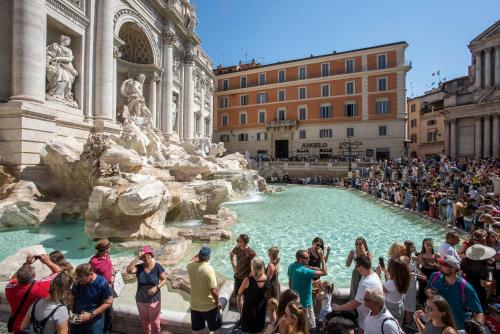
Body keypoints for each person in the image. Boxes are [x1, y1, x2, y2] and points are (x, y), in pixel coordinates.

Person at [5, 254, 61, 334]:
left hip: (17, 327)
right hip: (34, 327)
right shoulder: (40, 287)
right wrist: (47, 262)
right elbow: (59, 272)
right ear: (34, 276)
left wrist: (27, 264)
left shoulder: (9, 288)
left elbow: (13, 279)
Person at [426, 256, 484, 330]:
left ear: (453, 269)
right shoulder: (435, 276)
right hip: (436, 324)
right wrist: (428, 293)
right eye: (441, 264)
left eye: (444, 265)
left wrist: (476, 331)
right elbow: (427, 289)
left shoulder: (466, 288)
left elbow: (478, 313)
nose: (440, 266)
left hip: (457, 328)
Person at [332, 255, 383, 333]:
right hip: (369, 317)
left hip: (366, 322)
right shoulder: (373, 274)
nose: (356, 268)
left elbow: (355, 303)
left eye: (356, 266)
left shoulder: (366, 283)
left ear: (361, 267)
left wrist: (339, 307)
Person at [125, 246, 167, 334]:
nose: (146, 257)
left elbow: (164, 279)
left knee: (155, 323)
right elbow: (128, 270)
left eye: (148, 255)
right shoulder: (139, 267)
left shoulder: (157, 266)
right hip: (141, 300)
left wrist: (157, 287)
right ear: (141, 258)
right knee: (144, 323)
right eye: (144, 256)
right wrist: (137, 257)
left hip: (154, 300)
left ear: (152, 256)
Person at [288, 249, 328, 330]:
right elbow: (325, 272)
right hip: (306, 305)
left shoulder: (291, 266)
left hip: (295, 303)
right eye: (306, 258)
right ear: (299, 259)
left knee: (297, 328)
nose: (309, 259)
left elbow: (290, 282)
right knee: (311, 328)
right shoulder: (305, 271)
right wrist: (322, 257)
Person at [187, 246, 222, 334]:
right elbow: (214, 290)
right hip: (209, 306)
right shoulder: (209, 270)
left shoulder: (190, 266)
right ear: (209, 257)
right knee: (216, 329)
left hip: (194, 305)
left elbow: (190, 260)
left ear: (198, 255)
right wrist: (217, 303)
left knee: (196, 330)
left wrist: (197, 256)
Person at [70, 263, 113, 334]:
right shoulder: (77, 281)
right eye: (78, 278)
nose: (79, 281)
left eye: (82, 280)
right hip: (77, 319)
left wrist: (90, 315)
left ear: (91, 274)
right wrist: (70, 311)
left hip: (94, 322)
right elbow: (72, 296)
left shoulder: (101, 283)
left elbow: (108, 302)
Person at [237, 257, 270, 333]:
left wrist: (241, 311)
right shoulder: (267, 279)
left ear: (252, 268)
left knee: (248, 330)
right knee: (259, 329)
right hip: (261, 310)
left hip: (248, 311)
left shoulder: (247, 280)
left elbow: (239, 293)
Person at [89, 238, 115, 334]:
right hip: (101, 291)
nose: (110, 248)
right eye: (109, 247)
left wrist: (112, 275)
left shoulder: (107, 256)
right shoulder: (94, 262)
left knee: (110, 314)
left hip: (110, 288)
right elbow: (90, 278)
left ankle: (107, 330)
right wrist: (103, 284)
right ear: (105, 249)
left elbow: (110, 267)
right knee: (106, 313)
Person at [461, 244, 496, 309]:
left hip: (467, 287)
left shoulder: (464, 261)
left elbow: (460, 274)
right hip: (478, 292)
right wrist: (490, 270)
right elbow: (484, 284)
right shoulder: (483, 267)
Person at [377, 258, 411, 324]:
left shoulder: (390, 283)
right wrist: (384, 270)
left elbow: (379, 290)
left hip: (390, 308)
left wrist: (378, 275)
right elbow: (391, 281)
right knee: (398, 325)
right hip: (400, 305)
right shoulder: (401, 280)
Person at [229, 234, 256, 298]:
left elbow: (254, 266)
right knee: (238, 296)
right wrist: (234, 266)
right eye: (237, 240)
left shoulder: (251, 253)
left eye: (238, 240)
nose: (237, 241)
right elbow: (231, 255)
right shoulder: (237, 248)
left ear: (244, 242)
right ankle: (240, 308)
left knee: (247, 296)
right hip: (237, 276)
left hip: (246, 279)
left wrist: (248, 277)